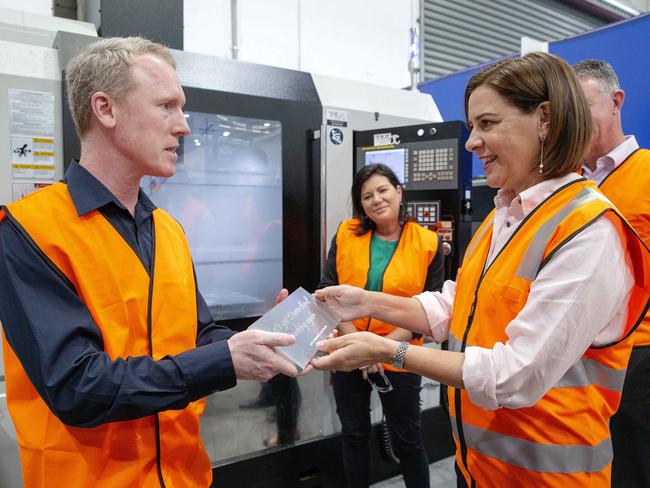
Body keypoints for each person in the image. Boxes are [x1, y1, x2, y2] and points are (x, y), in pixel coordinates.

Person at [312, 52, 650, 487]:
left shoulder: (589, 230)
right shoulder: (505, 215)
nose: (471, 142)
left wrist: (387, 352)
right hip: (479, 468)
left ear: (544, 120)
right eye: (472, 126)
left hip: (546, 476)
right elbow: (457, 306)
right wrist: (361, 301)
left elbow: (515, 375)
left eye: (487, 124)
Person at [0, 37, 299, 487]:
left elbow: (195, 333)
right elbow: (77, 386)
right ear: (105, 109)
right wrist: (223, 361)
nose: (184, 127)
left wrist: (261, 339)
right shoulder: (28, 230)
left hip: (181, 476)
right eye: (166, 106)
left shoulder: (169, 230)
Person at [318, 163, 444, 488]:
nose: (376, 200)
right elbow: (327, 293)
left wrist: (381, 350)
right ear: (361, 205)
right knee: (355, 434)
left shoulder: (428, 243)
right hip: (348, 349)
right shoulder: (346, 234)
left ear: (399, 191)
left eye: (383, 190)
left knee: (408, 439)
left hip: (401, 353)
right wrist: (359, 344)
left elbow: (429, 310)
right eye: (367, 196)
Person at [574, 59, 650, 488]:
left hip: (638, 359)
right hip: (576, 360)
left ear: (616, 101)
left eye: (584, 107)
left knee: (633, 470)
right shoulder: (569, 188)